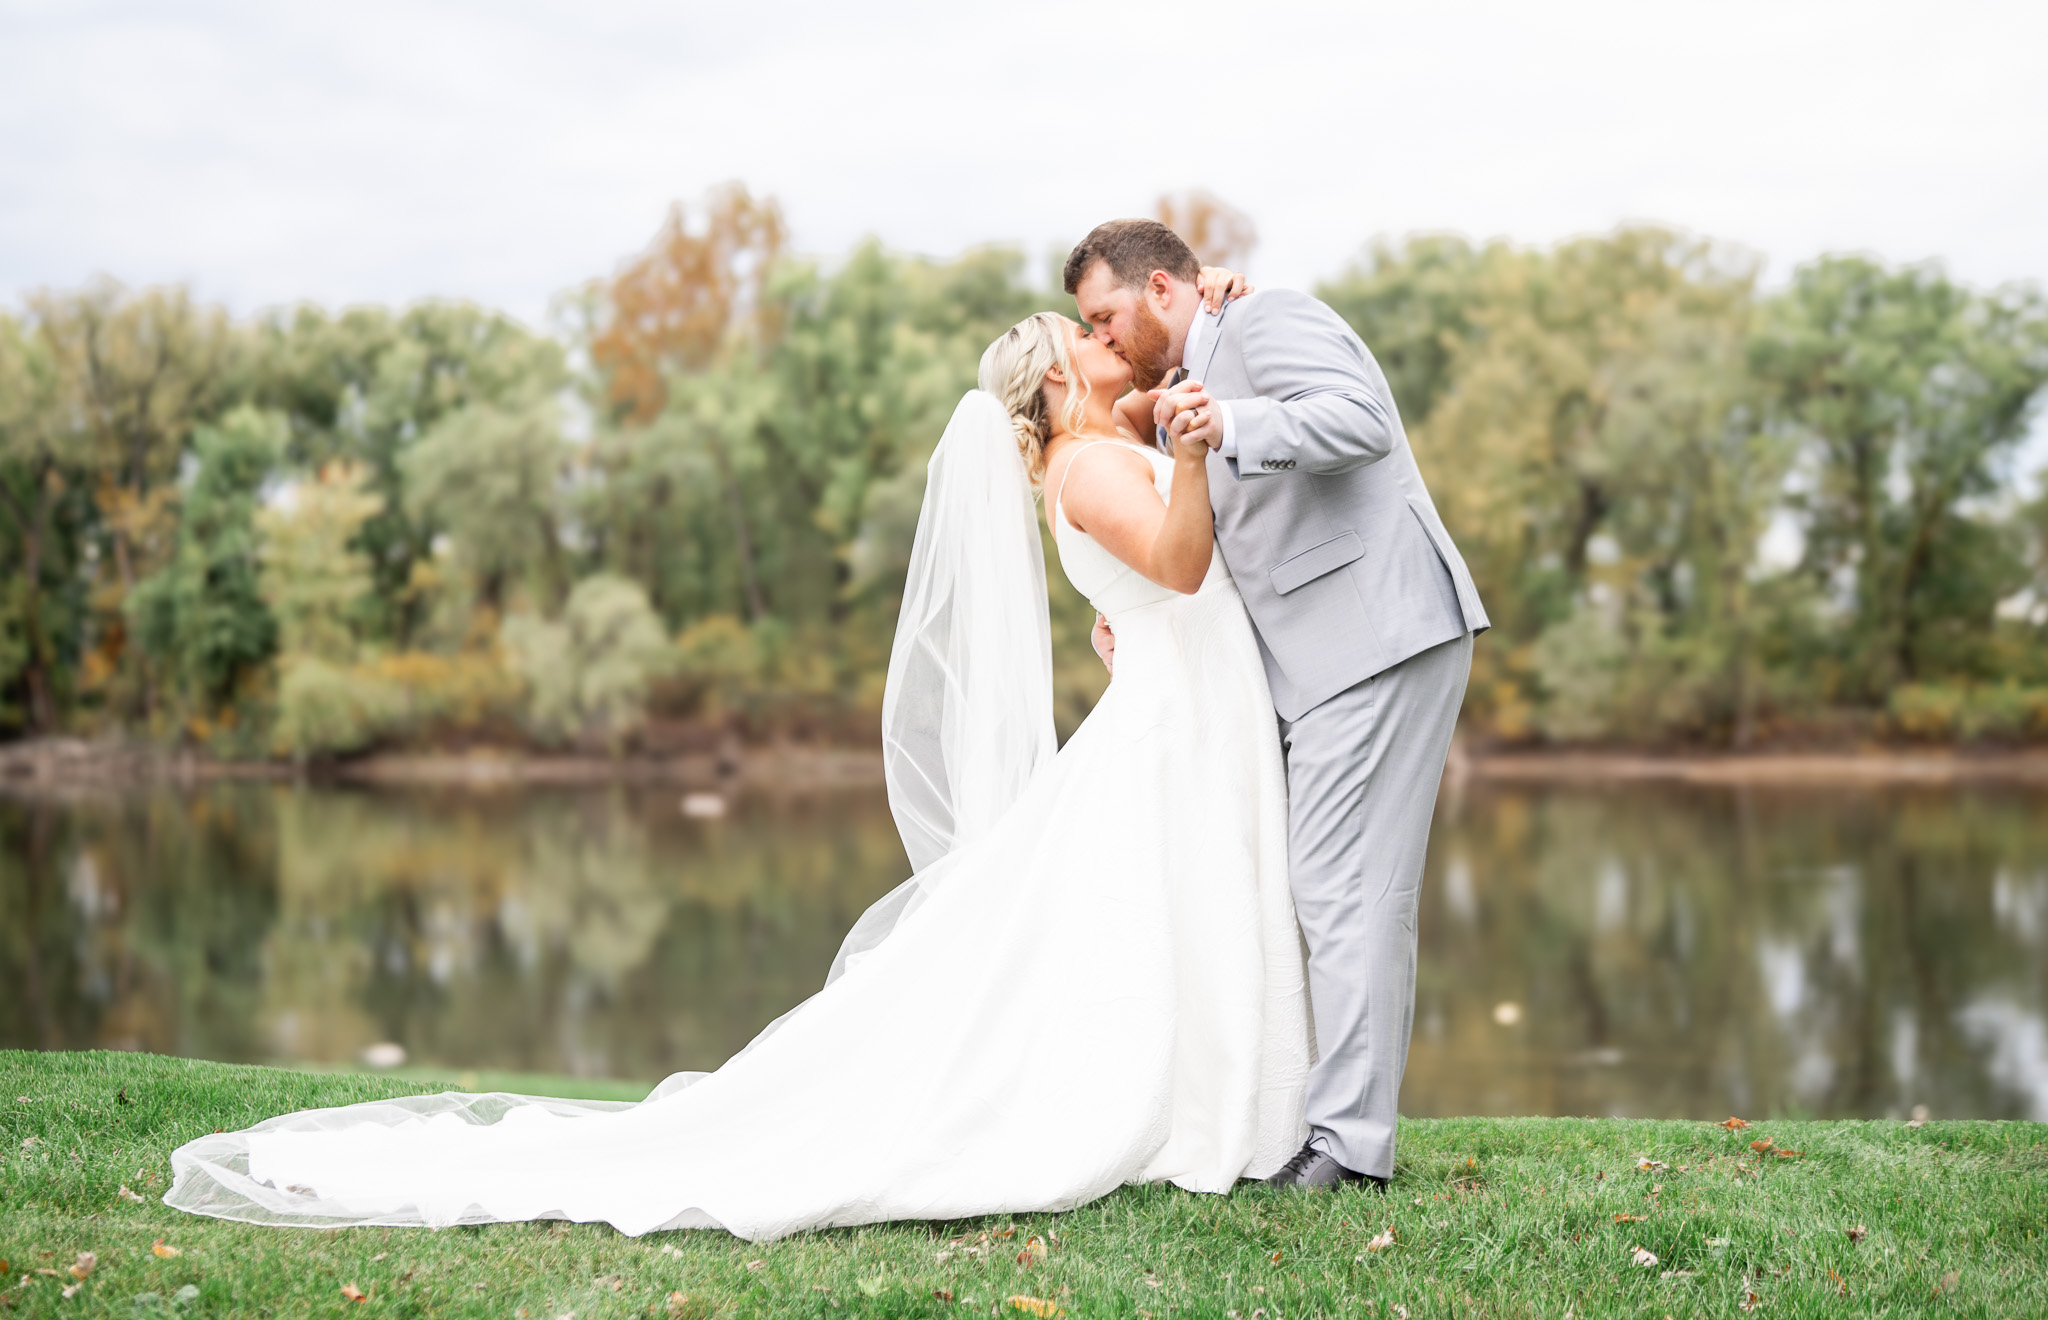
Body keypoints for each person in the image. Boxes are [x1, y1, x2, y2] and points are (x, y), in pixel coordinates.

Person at [164, 272, 1318, 1244]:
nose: (1107, 342)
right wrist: (1201, 451)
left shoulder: (1098, 450)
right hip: (1173, 726)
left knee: (1160, 919)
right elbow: (1174, 566)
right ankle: (1195, 1111)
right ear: (1058, 380)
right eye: (1087, 337)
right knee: (1165, 916)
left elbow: (1158, 587)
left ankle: (1208, 1103)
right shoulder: (1095, 462)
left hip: (1177, 711)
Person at [1066, 219, 1489, 1190]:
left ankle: (1347, 1149)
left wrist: (1236, 427)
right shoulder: (1179, 380)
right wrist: (1129, 617)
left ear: (1163, 287)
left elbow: (1359, 420)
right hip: (1321, 658)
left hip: (1374, 632)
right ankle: (1329, 1128)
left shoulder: (1262, 325)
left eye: (1106, 315)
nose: (1103, 337)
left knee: (1343, 890)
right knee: (1329, 889)